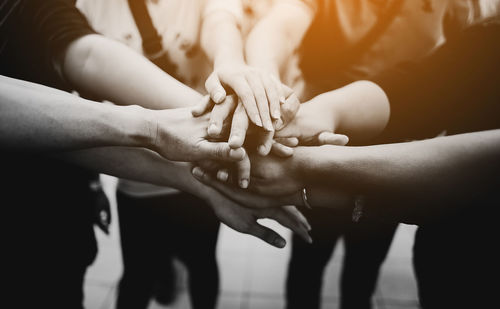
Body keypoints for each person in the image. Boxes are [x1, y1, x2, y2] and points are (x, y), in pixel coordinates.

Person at [0, 1, 311, 308]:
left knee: (201, 264)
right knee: (138, 275)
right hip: (138, 179)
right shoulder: (93, 5)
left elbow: (219, 17)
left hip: (202, 173)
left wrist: (229, 64)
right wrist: (164, 130)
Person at [193, 16, 500, 308]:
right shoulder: (489, 35)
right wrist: (282, 105)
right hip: (445, 257)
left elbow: (484, 164)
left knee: (362, 270)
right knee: (308, 263)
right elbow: (423, 84)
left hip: (425, 196)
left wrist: (308, 168)